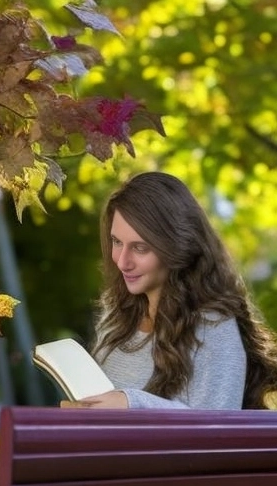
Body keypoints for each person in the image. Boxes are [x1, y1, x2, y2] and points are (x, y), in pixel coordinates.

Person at [73, 171, 277, 410]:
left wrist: (131, 404)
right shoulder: (117, 317)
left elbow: (216, 430)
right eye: (117, 242)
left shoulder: (214, 325)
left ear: (176, 247)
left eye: (139, 248)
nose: (122, 261)